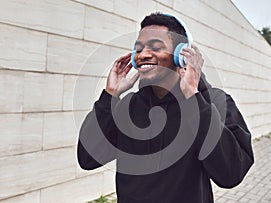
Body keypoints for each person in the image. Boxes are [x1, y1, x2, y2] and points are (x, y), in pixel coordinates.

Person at [77, 12, 254, 203]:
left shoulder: (215, 102)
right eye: (139, 49)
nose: (143, 54)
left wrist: (193, 98)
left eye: (156, 47)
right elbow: (88, 159)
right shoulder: (128, 106)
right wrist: (110, 96)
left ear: (181, 56)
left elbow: (231, 174)